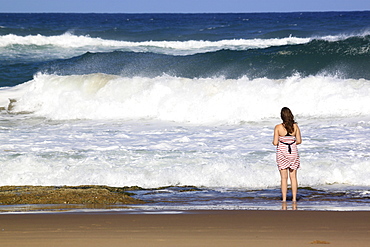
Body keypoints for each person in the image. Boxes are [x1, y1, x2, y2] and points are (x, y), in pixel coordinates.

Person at [272, 107, 302, 202]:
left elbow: (275, 142)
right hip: (293, 151)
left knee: (284, 178)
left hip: (282, 152)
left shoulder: (278, 127)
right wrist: (291, 142)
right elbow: (299, 141)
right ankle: (294, 199)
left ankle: (284, 199)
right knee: (293, 177)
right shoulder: (295, 126)